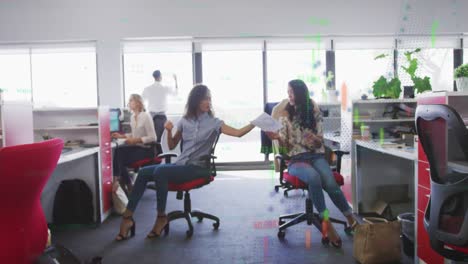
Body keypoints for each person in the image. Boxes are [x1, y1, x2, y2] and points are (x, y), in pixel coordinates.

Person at [115, 84, 256, 241]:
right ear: (196, 100)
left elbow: (238, 133)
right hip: (181, 165)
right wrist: (169, 131)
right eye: (205, 99)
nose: (208, 102)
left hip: (199, 168)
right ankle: (128, 218)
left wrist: (255, 123)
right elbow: (172, 144)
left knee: (160, 171)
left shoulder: (215, 122)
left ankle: (161, 217)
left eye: (210, 99)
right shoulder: (185, 120)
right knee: (143, 172)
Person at [266, 79, 357, 247]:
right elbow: (285, 147)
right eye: (288, 93)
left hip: (315, 156)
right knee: (314, 178)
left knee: (330, 182)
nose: (289, 96)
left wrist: (314, 139)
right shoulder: (285, 113)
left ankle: (351, 219)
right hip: (295, 160)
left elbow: (320, 140)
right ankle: (326, 222)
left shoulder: (312, 109)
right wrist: (277, 138)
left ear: (300, 94)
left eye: (291, 93)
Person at [112, 94, 157, 194]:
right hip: (137, 148)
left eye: (131, 100)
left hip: (147, 149)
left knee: (119, 157)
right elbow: (133, 134)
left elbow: (153, 137)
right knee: (118, 153)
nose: (129, 103)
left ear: (138, 102)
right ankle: (126, 184)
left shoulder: (146, 116)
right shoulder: (132, 117)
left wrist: (136, 140)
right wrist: (121, 136)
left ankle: (120, 182)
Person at [141, 70, 178, 154]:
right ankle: (160, 157)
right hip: (161, 117)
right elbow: (175, 93)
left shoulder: (147, 88)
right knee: (160, 140)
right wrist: (176, 80)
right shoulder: (164, 88)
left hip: (151, 117)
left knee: (151, 139)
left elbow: (141, 101)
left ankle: (153, 157)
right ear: (160, 77)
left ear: (153, 77)